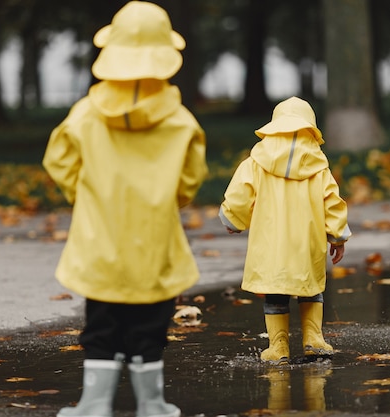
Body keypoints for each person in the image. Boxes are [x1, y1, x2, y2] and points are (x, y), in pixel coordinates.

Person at [42, 2, 207, 417]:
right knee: (151, 328)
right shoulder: (183, 122)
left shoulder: (84, 116)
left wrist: (85, 193)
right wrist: (169, 199)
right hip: (155, 245)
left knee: (100, 325)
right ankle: (152, 404)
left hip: (100, 243)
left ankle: (94, 405)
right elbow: (190, 179)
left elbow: (59, 161)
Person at [219, 96, 351, 365]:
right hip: (307, 244)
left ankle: (278, 347)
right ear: (310, 129)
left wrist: (233, 219)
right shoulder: (318, 166)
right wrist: (337, 235)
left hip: (271, 246)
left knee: (275, 293)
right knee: (311, 288)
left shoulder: (256, 162)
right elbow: (332, 202)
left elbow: (239, 194)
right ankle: (313, 338)